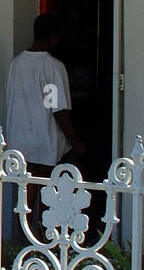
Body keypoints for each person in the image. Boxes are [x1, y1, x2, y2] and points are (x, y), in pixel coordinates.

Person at [6, 14, 92, 233]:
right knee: (48, 198)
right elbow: (57, 109)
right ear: (54, 37)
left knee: (24, 201)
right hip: (44, 142)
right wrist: (76, 140)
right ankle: (46, 244)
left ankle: (21, 245)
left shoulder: (16, 63)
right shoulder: (53, 66)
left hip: (19, 141)